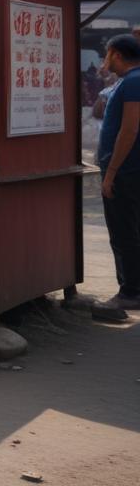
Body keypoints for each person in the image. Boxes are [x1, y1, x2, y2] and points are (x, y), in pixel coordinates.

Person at [97, 34, 140, 317]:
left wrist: (111, 172)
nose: (105, 61)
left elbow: (129, 130)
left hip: (126, 171)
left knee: (124, 232)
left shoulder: (134, 81)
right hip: (127, 169)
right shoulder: (128, 82)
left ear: (116, 54)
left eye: (107, 55)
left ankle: (130, 293)